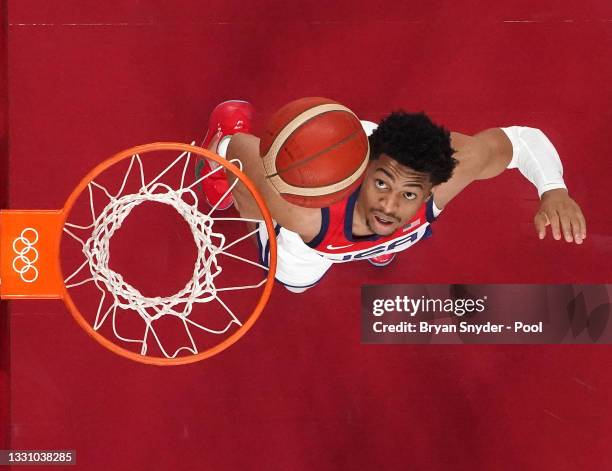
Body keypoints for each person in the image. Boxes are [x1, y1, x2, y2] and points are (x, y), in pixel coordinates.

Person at [197, 100, 587, 293]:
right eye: (382, 185)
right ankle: (220, 137)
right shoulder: (306, 215)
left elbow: (519, 140)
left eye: (409, 193)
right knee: (293, 280)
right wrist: (228, 144)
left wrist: (553, 189)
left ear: (430, 187)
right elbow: (251, 162)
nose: (389, 205)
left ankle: (379, 245)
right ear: (364, 173)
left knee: (391, 227)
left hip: (378, 172)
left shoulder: (448, 177)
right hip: (320, 223)